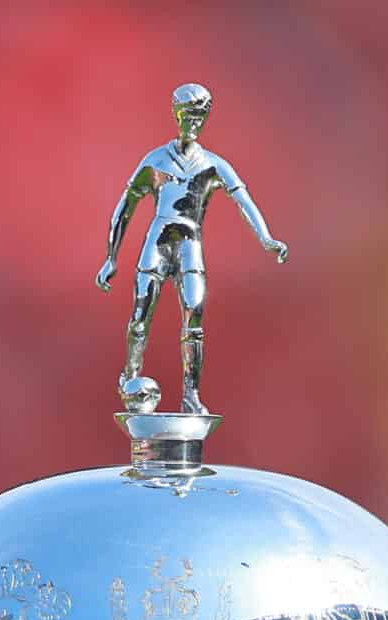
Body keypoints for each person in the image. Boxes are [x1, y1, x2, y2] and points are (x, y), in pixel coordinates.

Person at [96, 83, 288, 414]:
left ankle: (191, 395)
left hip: (189, 244)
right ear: (176, 114)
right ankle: (131, 377)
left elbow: (244, 200)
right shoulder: (156, 160)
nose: (193, 124)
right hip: (158, 240)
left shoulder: (212, 165)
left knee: (194, 317)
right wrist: (111, 258)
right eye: (187, 116)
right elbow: (125, 207)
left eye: (200, 117)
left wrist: (267, 239)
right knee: (141, 316)